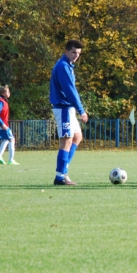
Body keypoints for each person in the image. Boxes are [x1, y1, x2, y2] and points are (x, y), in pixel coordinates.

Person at [49, 40, 89, 185]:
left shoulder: (67, 66)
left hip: (68, 109)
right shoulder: (63, 66)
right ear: (66, 51)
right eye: (73, 52)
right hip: (64, 108)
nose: (76, 56)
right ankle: (60, 176)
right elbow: (70, 91)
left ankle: (64, 170)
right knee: (66, 141)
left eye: (78, 53)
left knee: (77, 137)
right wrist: (81, 111)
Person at [0, 85, 19, 165]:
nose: (9, 93)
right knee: (12, 139)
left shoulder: (3, 101)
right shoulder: (0, 102)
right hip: (0, 125)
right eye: (8, 91)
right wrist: (2, 124)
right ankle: (11, 160)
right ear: (3, 93)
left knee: (7, 139)